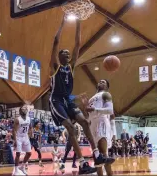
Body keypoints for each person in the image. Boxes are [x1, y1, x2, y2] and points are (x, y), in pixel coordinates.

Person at [48, 16, 114, 174]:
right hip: (56, 101)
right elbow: (56, 41)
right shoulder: (54, 67)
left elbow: (78, 44)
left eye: (68, 53)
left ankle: (97, 155)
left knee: (84, 122)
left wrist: (78, 23)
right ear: (59, 56)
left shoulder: (71, 68)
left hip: (67, 101)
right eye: (64, 53)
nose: (68, 54)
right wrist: (63, 23)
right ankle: (83, 163)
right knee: (70, 128)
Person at [86, 79, 114, 176]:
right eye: (100, 81)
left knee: (103, 153)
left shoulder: (106, 94)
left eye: (103, 82)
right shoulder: (91, 98)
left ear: (106, 87)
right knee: (96, 156)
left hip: (102, 122)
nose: (100, 82)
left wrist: (95, 109)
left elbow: (110, 110)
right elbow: (90, 114)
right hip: (92, 124)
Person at [12, 105, 32, 176]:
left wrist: (29, 136)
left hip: (25, 137)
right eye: (23, 108)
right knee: (18, 154)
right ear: (20, 111)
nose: (25, 109)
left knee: (29, 153)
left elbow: (30, 128)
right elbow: (14, 130)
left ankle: (22, 167)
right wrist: (15, 140)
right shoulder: (17, 119)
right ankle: (16, 170)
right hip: (19, 137)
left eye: (25, 108)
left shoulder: (29, 119)